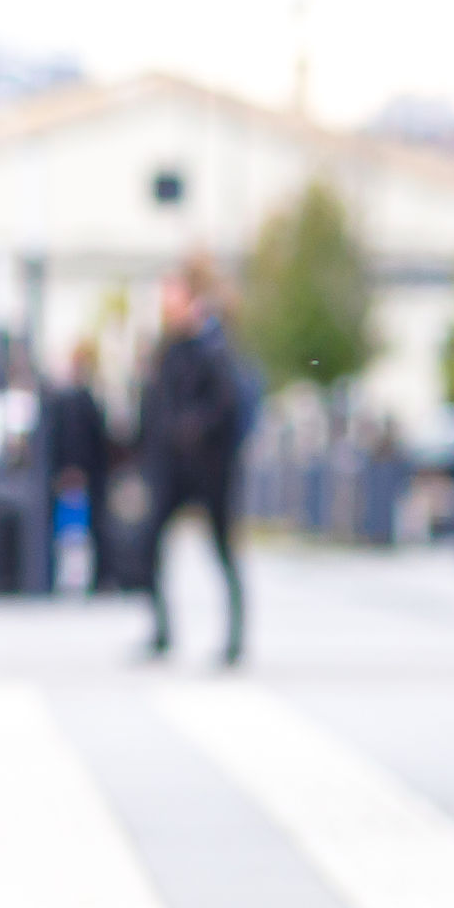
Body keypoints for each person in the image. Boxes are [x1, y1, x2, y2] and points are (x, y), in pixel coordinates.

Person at [134, 264, 255, 664]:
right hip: (171, 468)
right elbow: (153, 406)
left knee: (222, 548)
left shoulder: (212, 345)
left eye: (171, 297)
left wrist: (192, 427)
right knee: (148, 542)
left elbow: (226, 404)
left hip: (209, 468)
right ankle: (162, 630)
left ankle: (236, 639)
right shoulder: (168, 348)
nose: (166, 306)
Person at [39, 340, 116, 593]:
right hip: (78, 471)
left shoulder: (82, 397)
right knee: (67, 532)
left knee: (88, 531)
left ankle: (95, 578)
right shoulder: (72, 399)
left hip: (87, 473)